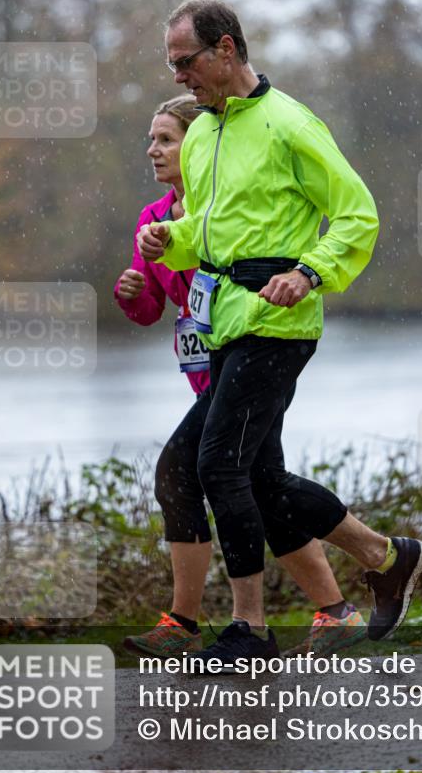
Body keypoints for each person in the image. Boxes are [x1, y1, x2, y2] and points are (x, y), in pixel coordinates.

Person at [138, 0, 422, 669]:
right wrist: (168, 240)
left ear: (226, 49)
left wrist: (309, 271)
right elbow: (211, 234)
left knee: (215, 465)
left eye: (186, 61)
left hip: (278, 324)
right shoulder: (203, 136)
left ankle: (250, 627)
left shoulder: (290, 124)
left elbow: (356, 214)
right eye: (172, 64)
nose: (179, 76)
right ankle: (385, 557)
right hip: (225, 324)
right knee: (259, 477)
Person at [116, 94, 366, 658]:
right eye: (152, 139)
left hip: (251, 351)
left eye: (166, 139)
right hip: (213, 366)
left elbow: (327, 226)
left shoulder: (233, 204)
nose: (153, 150)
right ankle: (337, 607)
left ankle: (201, 623)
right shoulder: (154, 219)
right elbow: (150, 302)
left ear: (201, 144)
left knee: (189, 471)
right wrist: (130, 291)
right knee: (254, 479)